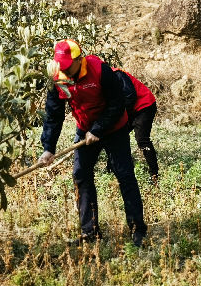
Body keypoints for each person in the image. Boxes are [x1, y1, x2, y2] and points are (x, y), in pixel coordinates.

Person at [39, 40, 147, 247]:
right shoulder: (58, 78)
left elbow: (118, 103)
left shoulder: (100, 71)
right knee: (81, 175)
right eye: (61, 65)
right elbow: (53, 115)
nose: (64, 70)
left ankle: (137, 229)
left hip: (114, 128)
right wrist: (48, 148)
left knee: (124, 174)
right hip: (84, 129)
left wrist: (98, 129)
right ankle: (90, 233)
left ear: (79, 60)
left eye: (68, 65)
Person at [114, 68, 160, 185]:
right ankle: (114, 169)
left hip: (144, 105)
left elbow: (130, 96)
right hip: (130, 109)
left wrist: (119, 117)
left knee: (142, 140)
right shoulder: (97, 82)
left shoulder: (116, 75)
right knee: (116, 136)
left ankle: (154, 175)